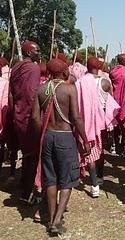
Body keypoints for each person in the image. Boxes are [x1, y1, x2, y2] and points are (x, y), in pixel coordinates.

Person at [32, 58, 90, 234]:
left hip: (48, 137)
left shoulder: (41, 90)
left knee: (50, 179)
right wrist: (85, 139)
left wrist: (42, 135)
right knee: (67, 179)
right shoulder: (69, 89)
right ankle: (56, 220)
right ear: (64, 72)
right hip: (65, 138)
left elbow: (35, 118)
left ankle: (50, 218)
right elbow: (76, 118)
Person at [9, 41, 41, 202]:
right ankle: (28, 193)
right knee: (32, 155)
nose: (39, 53)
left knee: (28, 154)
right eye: (37, 51)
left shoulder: (15, 67)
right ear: (29, 52)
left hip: (17, 113)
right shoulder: (33, 68)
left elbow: (11, 93)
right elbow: (31, 94)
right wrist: (37, 117)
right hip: (29, 116)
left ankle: (24, 185)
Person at [76, 57, 106, 198]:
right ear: (99, 66)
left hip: (82, 123)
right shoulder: (102, 81)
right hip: (94, 124)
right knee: (92, 156)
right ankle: (95, 184)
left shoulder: (80, 82)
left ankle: (91, 183)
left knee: (87, 156)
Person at [109, 54, 125, 178]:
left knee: (120, 133)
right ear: (124, 61)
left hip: (115, 105)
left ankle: (120, 150)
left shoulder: (113, 72)